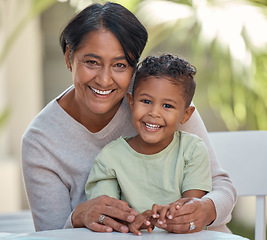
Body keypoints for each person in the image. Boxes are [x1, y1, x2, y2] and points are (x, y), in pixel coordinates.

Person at [21, 1, 236, 234]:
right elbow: (51, 235)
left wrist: (205, 209)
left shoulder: (162, 98)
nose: (104, 80)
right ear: (68, 57)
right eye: (92, 62)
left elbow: (221, 186)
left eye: (120, 65)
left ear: (134, 67)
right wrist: (77, 217)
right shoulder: (40, 142)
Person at [85, 54, 212, 235]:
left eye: (167, 106)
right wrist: (131, 222)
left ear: (185, 115)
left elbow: (191, 210)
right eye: (146, 101)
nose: (154, 113)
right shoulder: (109, 158)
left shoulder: (192, 150)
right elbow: (107, 215)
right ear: (131, 103)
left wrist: (166, 216)